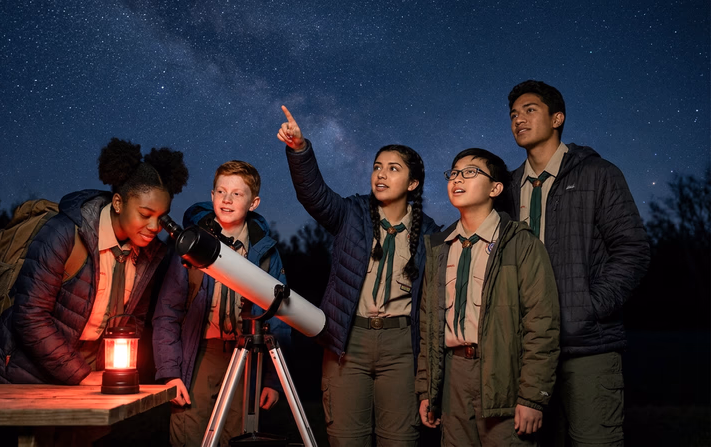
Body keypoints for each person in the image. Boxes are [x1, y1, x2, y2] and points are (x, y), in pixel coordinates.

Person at [277, 106, 440, 446]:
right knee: (346, 438)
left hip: (401, 346)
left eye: (392, 169)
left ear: (412, 183)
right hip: (348, 342)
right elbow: (314, 195)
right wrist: (299, 150)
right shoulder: (351, 214)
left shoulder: (430, 235)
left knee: (400, 439)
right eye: (377, 167)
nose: (380, 174)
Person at [507, 80, 650, 446]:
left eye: (530, 110)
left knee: (594, 440)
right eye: (513, 114)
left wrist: (588, 307)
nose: (518, 119)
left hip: (587, 347)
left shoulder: (598, 174)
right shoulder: (506, 188)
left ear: (557, 118)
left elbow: (633, 250)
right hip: (524, 348)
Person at [0, 137, 189, 385]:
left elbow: (134, 322)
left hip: (92, 372)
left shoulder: (149, 255)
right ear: (118, 203)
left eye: (162, 217)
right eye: (145, 214)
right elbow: (30, 316)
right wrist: (81, 375)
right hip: (26, 371)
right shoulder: (64, 233)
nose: (155, 227)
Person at [416, 148, 560, 446]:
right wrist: (426, 391)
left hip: (503, 373)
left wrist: (533, 397)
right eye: (454, 173)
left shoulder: (520, 242)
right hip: (453, 376)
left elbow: (542, 324)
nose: (458, 178)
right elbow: (428, 327)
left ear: (495, 188)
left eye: (470, 172)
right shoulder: (439, 248)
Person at [152, 160, 291, 447]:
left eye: (237, 194)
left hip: (246, 357)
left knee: (237, 438)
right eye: (221, 191)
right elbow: (167, 313)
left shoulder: (265, 253)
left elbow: (280, 320)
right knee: (189, 432)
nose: (227, 200)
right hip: (200, 352)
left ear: (254, 202)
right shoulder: (191, 243)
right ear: (212, 194)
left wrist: (272, 380)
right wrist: (170, 373)